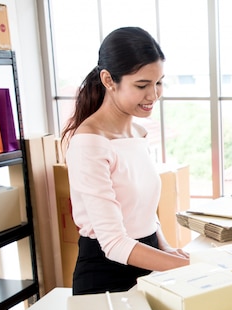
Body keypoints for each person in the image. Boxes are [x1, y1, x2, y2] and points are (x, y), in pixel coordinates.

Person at [61, 27, 190, 295]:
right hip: (106, 280)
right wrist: (185, 268)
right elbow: (115, 243)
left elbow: (142, 211)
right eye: (142, 85)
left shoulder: (138, 133)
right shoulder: (90, 143)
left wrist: (164, 246)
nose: (153, 95)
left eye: (159, 83)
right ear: (108, 80)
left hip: (149, 267)